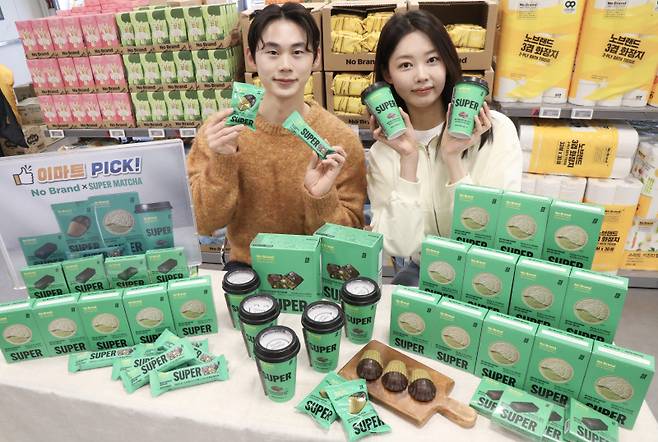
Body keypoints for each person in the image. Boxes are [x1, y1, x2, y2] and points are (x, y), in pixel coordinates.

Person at [187, 3, 367, 269]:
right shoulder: (220, 133)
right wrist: (222, 161)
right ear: (251, 57)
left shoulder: (340, 139)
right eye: (272, 52)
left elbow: (348, 244)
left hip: (319, 272)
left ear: (316, 57)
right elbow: (204, 223)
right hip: (247, 270)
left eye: (298, 52)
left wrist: (321, 198)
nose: (285, 66)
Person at [366, 10, 522, 286]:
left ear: (447, 62)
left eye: (432, 60)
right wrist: (408, 159)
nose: (422, 76)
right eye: (405, 65)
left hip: (488, 273)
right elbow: (400, 246)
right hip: (425, 271)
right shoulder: (384, 153)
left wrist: (453, 159)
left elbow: (491, 232)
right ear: (387, 74)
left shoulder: (496, 130)